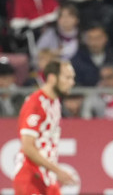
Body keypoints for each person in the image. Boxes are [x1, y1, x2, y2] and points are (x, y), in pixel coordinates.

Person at [14, 60, 77, 195]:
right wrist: (58, 170)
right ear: (52, 78)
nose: (72, 82)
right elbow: (28, 147)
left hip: (47, 178)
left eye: (72, 78)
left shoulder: (54, 103)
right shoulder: (35, 103)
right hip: (30, 176)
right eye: (67, 77)